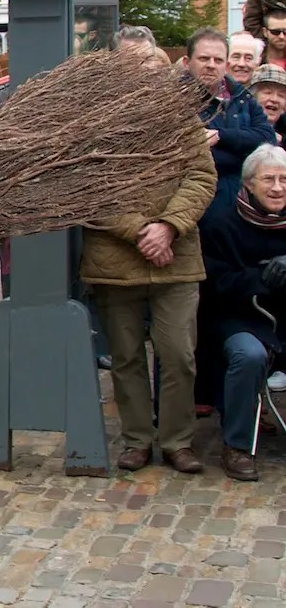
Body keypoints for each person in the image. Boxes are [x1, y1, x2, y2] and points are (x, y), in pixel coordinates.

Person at [81, 46, 217, 474]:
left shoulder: (183, 122)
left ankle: (177, 440)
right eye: (137, 71)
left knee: (178, 355)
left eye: (155, 71)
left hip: (176, 256)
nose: (147, 79)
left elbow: (201, 177)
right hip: (115, 260)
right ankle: (137, 439)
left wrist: (169, 227)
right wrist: (140, 230)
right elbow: (88, 188)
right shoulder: (98, 126)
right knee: (126, 357)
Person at [198, 144, 286, 481]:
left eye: (284, 180)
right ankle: (236, 445)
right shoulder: (221, 224)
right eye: (268, 179)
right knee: (249, 356)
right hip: (240, 318)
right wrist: (262, 277)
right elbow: (214, 284)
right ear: (248, 183)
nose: (277, 187)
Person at [186, 27, 276, 216]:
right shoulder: (174, 101)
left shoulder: (242, 96)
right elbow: (197, 159)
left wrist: (221, 136)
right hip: (199, 206)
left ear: (226, 65)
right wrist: (247, 155)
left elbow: (268, 138)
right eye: (204, 58)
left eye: (218, 60)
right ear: (187, 62)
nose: (211, 65)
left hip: (246, 206)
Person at [249, 63, 286, 142]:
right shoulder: (238, 127)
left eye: (281, 95)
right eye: (268, 92)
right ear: (252, 97)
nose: (274, 99)